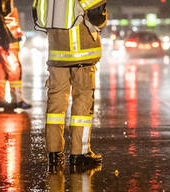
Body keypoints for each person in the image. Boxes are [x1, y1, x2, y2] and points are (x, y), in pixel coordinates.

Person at [44, 0, 107, 166]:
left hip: (57, 54)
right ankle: (80, 153)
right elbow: (96, 12)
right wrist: (100, 24)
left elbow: (40, 15)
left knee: (55, 107)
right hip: (81, 53)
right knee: (82, 103)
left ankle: (53, 153)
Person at [0, 0, 31, 111]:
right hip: (7, 41)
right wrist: (5, 39)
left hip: (2, 40)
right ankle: (17, 100)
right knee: (14, 70)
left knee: (1, 72)